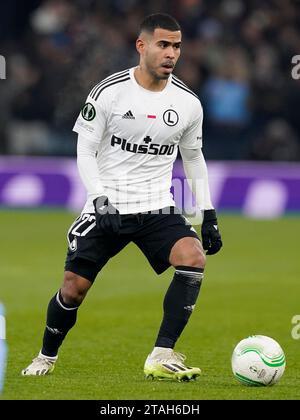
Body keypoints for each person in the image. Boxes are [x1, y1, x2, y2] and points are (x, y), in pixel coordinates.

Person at [22, 13, 222, 382]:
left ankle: (162, 354)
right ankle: (45, 356)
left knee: (192, 257)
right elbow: (85, 150)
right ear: (141, 46)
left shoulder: (189, 103)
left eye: (177, 46)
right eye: (163, 44)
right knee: (74, 289)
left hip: (156, 206)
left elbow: (193, 156)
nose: (171, 53)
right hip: (107, 206)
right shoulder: (108, 92)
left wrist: (207, 211)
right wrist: (98, 198)